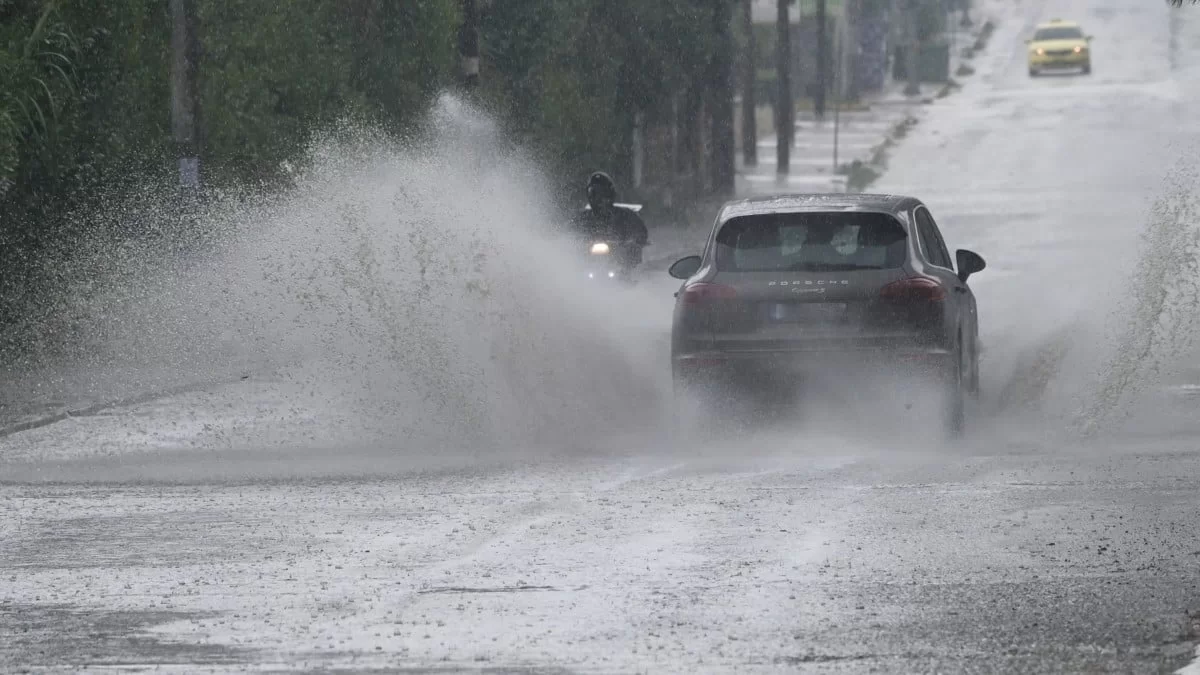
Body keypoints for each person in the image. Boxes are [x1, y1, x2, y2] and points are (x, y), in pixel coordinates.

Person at [571, 171, 649, 270]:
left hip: (621, 262)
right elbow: (569, 234)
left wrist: (632, 243)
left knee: (632, 269)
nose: (599, 198)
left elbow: (641, 232)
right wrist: (577, 243)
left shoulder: (625, 215)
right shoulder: (582, 218)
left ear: (610, 193)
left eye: (603, 193)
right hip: (589, 265)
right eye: (594, 193)